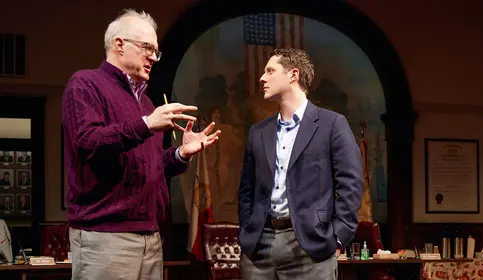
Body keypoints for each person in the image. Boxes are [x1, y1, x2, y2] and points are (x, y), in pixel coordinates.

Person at [61, 9, 221, 280]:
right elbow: (89, 143)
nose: (153, 57)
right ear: (119, 44)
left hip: (150, 237)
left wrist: (181, 154)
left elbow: (148, 166)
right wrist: (146, 124)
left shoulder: (145, 104)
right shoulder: (86, 84)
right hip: (106, 238)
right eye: (147, 47)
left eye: (156, 51)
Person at [238, 48, 363, 280]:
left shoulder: (332, 124)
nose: (262, 78)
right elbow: (247, 189)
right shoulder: (258, 132)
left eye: (270, 71)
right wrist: (247, 229)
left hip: (310, 247)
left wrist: (337, 236)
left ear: (293, 75)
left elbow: (351, 184)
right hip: (258, 247)